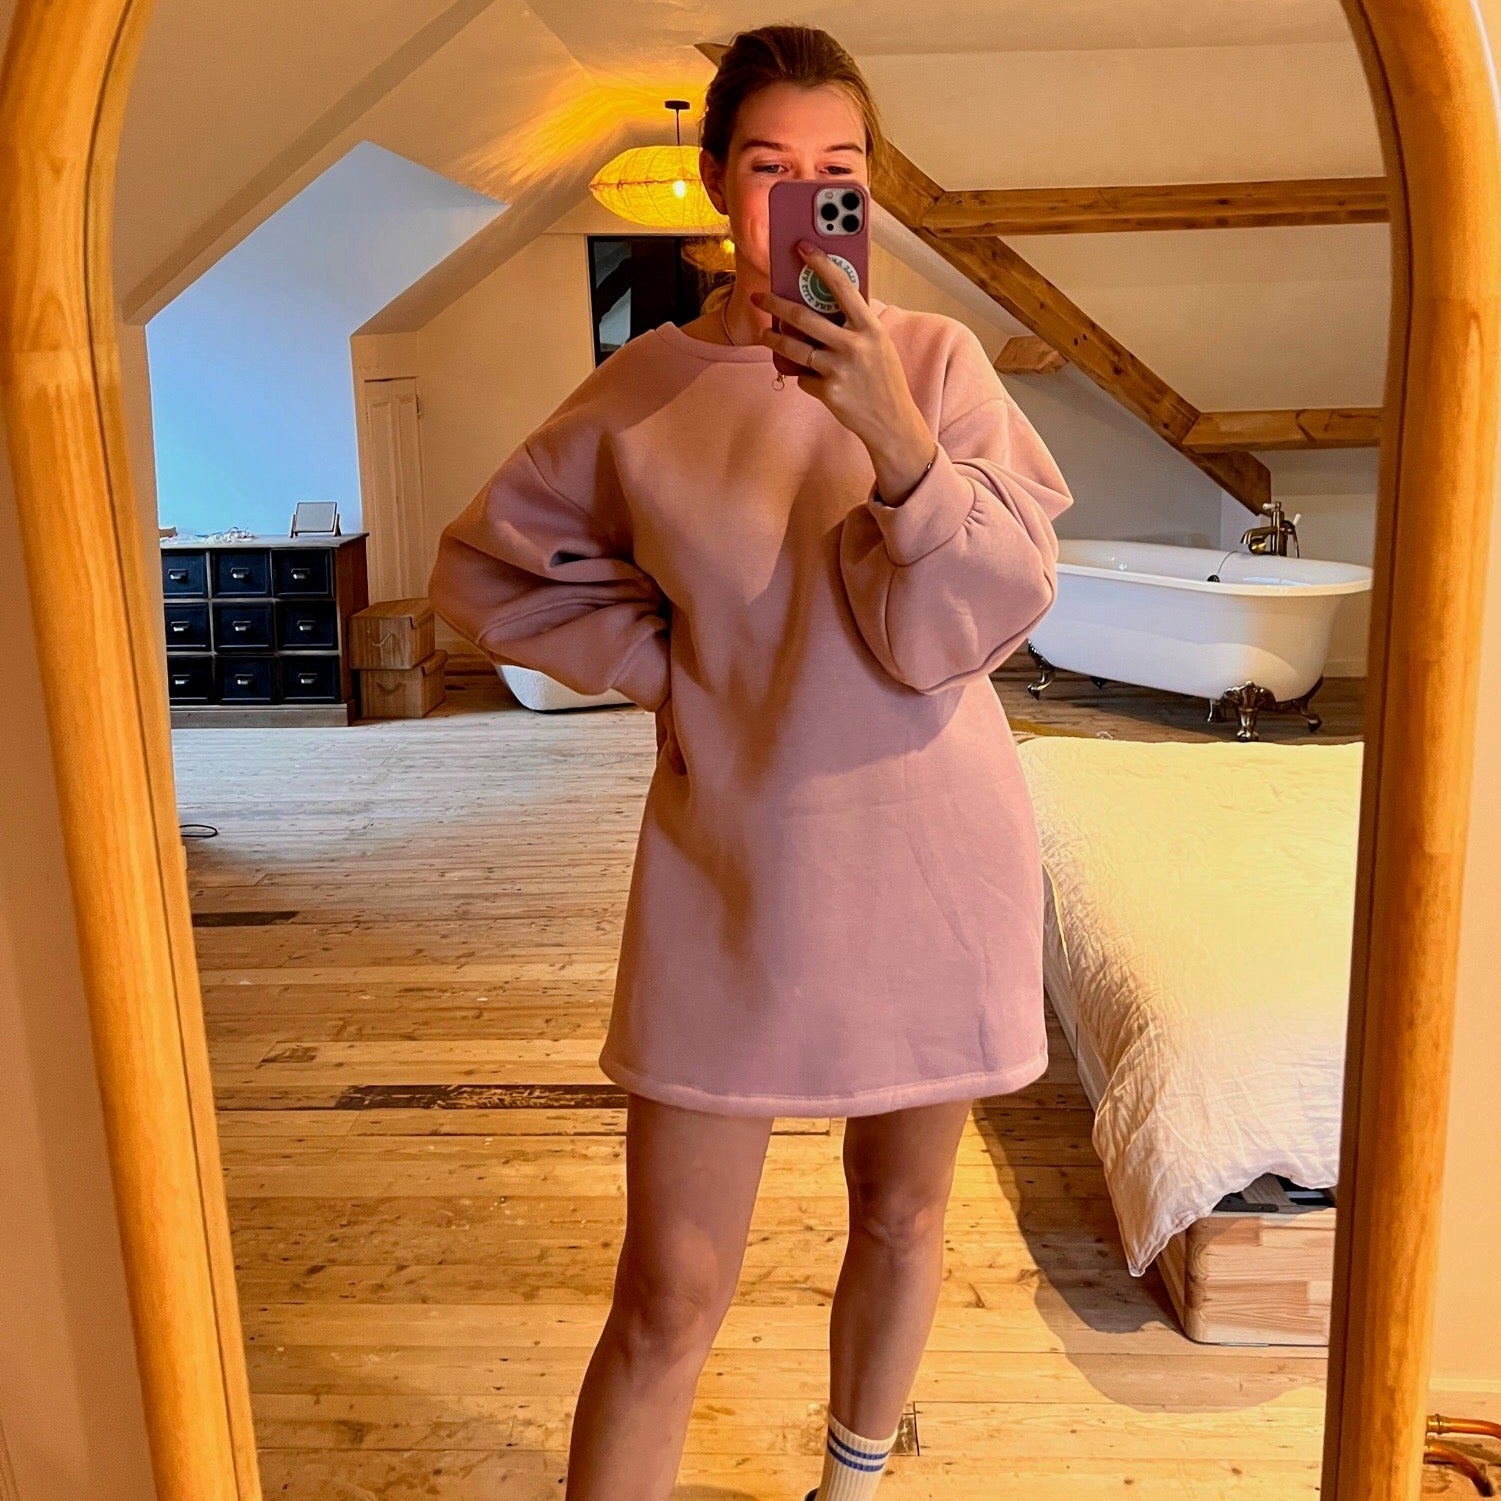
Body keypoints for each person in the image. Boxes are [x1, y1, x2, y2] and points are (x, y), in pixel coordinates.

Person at [426, 22, 1074, 1501]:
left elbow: (984, 614)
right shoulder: (644, 389)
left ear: (870, 187)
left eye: (838, 168)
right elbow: (487, 571)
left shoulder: (934, 364)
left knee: (901, 1215)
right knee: (666, 1288)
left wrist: (898, 442)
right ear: (718, 179)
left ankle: (851, 1485)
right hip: (730, 864)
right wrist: (681, 668)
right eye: (772, 165)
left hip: (933, 849)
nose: (805, 194)